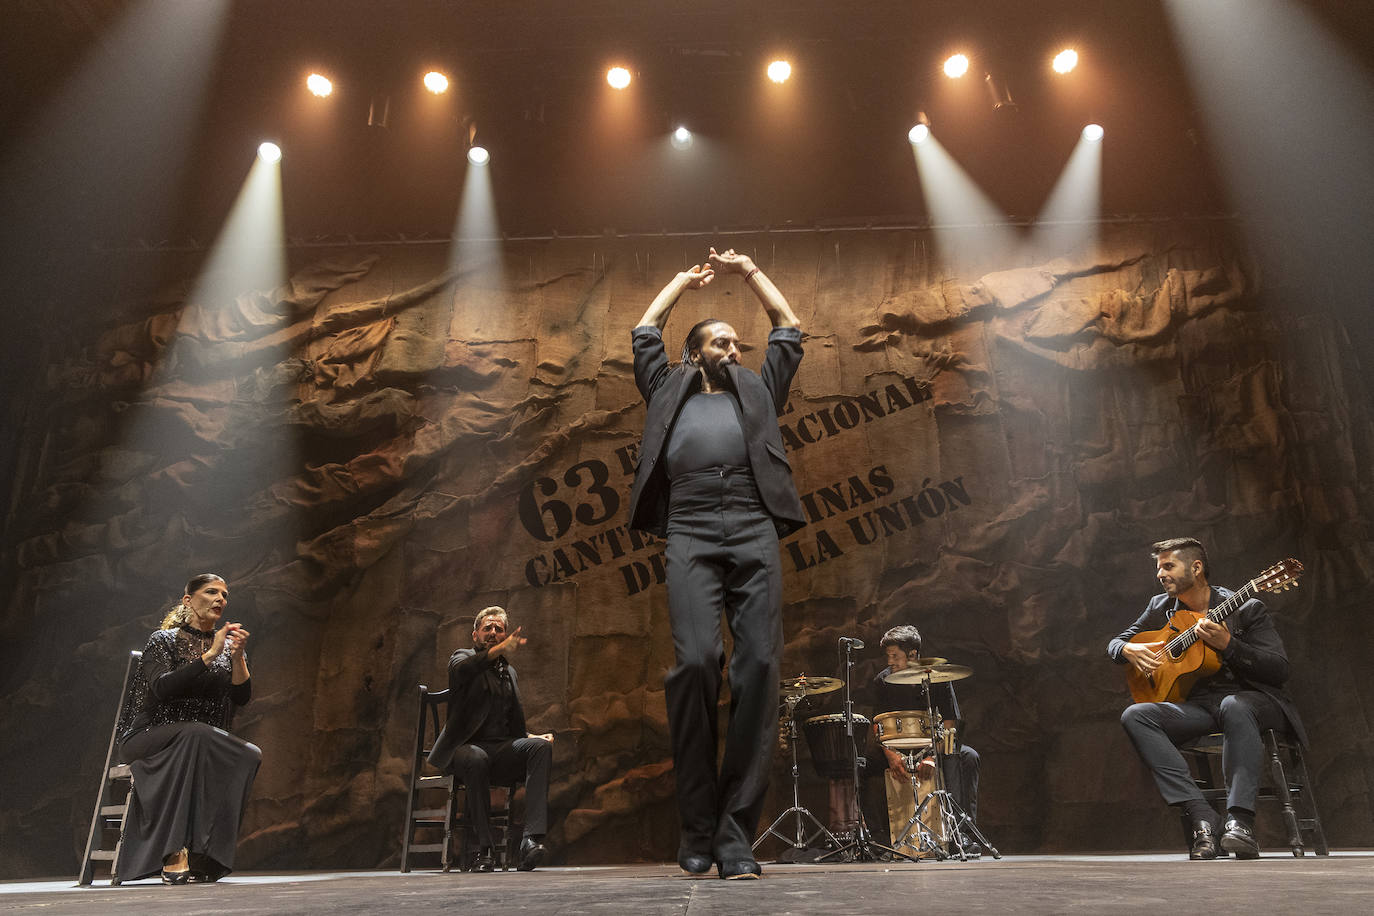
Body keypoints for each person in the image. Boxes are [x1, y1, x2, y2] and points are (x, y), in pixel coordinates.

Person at [628, 247, 805, 880]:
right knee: (698, 662)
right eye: (722, 343)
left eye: (738, 344)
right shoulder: (665, 387)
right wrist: (684, 279)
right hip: (691, 529)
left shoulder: (757, 390)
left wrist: (751, 271)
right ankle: (697, 828)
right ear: (694, 350)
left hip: (754, 528)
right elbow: (645, 329)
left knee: (758, 666)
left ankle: (735, 838)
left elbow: (788, 326)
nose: (735, 351)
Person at [1109, 537, 1306, 860]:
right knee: (1136, 715)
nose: (1160, 574)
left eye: (1168, 566)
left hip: (1254, 702)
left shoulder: (1246, 607)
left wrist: (1230, 645)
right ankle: (1201, 814)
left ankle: (1240, 822)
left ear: (1196, 567)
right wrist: (1127, 648)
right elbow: (1116, 644)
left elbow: (1279, 670)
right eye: (1159, 567)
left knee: (1234, 705)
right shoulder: (1160, 607)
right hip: (1201, 707)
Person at [116, 573, 260, 884]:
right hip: (148, 735)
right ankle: (172, 851)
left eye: (224, 594)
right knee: (196, 733)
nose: (221, 598)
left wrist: (237, 658)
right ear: (188, 600)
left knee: (249, 754)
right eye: (211, 592)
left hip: (198, 742)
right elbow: (163, 688)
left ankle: (206, 856)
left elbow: (241, 697)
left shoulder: (228, 647)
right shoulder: (163, 641)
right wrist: (211, 654)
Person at [427, 606, 554, 872]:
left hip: (499, 750)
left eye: (499, 629)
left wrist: (533, 737)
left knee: (539, 748)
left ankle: (530, 841)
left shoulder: (510, 673)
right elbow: (465, 671)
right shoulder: (461, 658)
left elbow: (513, 728)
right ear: (475, 635)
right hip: (463, 750)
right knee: (476, 758)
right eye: (488, 628)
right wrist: (498, 650)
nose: (493, 633)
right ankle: (483, 851)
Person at [863, 625, 980, 853]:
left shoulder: (937, 677)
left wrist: (933, 757)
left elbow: (949, 722)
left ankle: (961, 834)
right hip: (897, 748)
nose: (890, 661)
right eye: (888, 656)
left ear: (913, 654)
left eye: (895, 656)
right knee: (864, 766)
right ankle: (879, 839)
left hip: (931, 747)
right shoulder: (883, 681)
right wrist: (890, 756)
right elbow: (877, 723)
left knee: (968, 757)